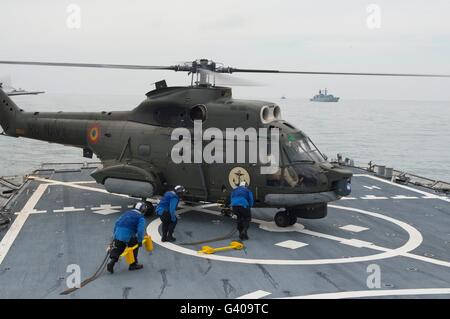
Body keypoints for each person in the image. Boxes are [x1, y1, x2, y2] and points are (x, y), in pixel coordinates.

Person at [107, 201, 148, 274]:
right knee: (134, 246)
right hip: (129, 235)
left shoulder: (126, 213)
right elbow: (140, 231)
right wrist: (139, 241)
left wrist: (115, 235)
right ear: (143, 210)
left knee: (119, 248)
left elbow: (117, 223)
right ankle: (133, 264)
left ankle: (112, 261)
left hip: (118, 234)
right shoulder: (141, 217)